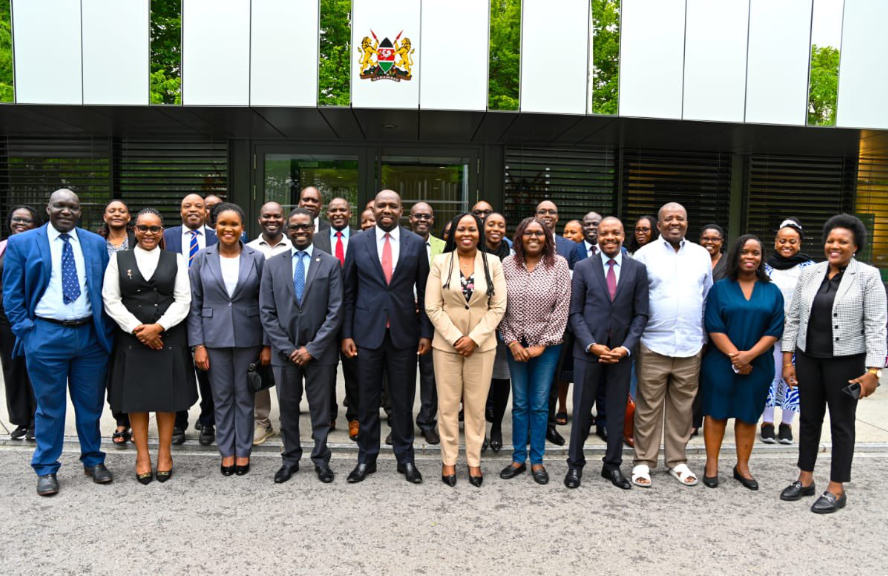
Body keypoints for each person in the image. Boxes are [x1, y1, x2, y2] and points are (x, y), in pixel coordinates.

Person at [3, 189, 115, 496]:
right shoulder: (22, 243)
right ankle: (46, 468)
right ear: (48, 208)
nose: (66, 211)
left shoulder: (94, 243)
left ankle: (93, 460)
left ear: (79, 212)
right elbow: (11, 293)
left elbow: (106, 287)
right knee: (49, 407)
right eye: (60, 205)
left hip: (89, 337)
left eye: (72, 207)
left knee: (90, 406)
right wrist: (26, 330)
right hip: (45, 335)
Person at [780, 214, 887, 514]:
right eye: (830, 240)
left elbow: (877, 326)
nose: (835, 246)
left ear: (855, 247)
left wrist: (874, 371)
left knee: (842, 424)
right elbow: (795, 318)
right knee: (809, 420)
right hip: (809, 359)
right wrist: (788, 360)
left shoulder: (868, 276)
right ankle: (805, 479)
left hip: (846, 362)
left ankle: (836, 488)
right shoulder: (810, 273)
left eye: (843, 242)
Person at [341, 190, 433, 484]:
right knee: (367, 401)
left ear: (401, 210)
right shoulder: (357, 243)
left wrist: (425, 332)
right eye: (381, 205)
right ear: (373, 207)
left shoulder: (416, 244)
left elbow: (426, 291)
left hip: (404, 334)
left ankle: (405, 458)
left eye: (393, 205)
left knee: (403, 401)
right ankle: (366, 459)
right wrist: (346, 333)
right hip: (366, 334)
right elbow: (348, 292)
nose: (387, 210)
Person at [103, 208, 195, 484]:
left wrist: (159, 328)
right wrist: (138, 329)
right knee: (136, 399)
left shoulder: (175, 259)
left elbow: (184, 300)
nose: (148, 233)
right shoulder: (119, 260)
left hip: (168, 337)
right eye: (143, 228)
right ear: (134, 229)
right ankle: (142, 455)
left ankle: (164, 454)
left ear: (161, 231)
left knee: (166, 399)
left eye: (154, 228)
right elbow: (111, 299)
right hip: (131, 339)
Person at [631, 202, 712, 488]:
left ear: (687, 223)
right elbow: (636, 299)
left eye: (680, 218)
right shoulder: (644, 254)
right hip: (653, 342)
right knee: (648, 407)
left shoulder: (702, 255)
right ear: (659, 224)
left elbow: (706, 299)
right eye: (669, 219)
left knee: (682, 409)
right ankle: (643, 461)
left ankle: (677, 461)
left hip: (690, 344)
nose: (674, 222)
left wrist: (703, 338)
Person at [565, 217, 649, 490]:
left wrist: (625, 348)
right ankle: (575, 466)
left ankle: (612, 466)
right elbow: (575, 312)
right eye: (604, 233)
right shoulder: (582, 267)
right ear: (597, 237)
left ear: (623, 236)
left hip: (621, 354)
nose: (609, 238)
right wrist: (591, 344)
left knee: (615, 413)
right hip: (588, 352)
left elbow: (641, 314)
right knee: (580, 413)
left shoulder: (637, 269)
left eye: (615, 233)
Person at [260, 208, 342, 484]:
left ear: (313, 227)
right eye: (294, 227)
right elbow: (266, 312)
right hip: (285, 354)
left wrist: (313, 348)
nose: (299, 231)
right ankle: (290, 459)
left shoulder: (329, 263)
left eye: (305, 226)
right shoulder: (272, 264)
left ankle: (321, 459)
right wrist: (286, 347)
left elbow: (336, 311)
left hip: (321, 353)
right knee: (288, 408)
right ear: (286, 227)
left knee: (320, 410)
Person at [426, 213, 506, 487]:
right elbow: (432, 306)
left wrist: (474, 338)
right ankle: (448, 461)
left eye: (472, 229)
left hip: (482, 348)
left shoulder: (493, 262)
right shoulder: (440, 262)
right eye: (462, 229)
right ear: (453, 233)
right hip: (446, 347)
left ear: (479, 233)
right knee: (448, 407)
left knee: (476, 407)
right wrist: (456, 338)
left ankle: (474, 461)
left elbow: (498, 307)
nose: (467, 234)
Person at [189, 204, 268, 477]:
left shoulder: (257, 258)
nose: (228, 229)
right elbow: (195, 304)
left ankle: (243, 452)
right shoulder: (201, 258)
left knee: (245, 397)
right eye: (223, 223)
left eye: (234, 224)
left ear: (243, 228)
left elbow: (265, 303)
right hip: (213, 339)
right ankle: (227, 452)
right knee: (222, 398)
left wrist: (267, 343)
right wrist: (197, 345)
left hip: (249, 338)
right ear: (215, 227)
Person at [700, 235, 784, 490]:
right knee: (716, 412)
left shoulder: (772, 290)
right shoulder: (720, 288)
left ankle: (742, 466)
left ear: (761, 258)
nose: (750, 257)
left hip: (758, 364)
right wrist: (736, 356)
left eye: (755, 253)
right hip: (720, 362)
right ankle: (711, 464)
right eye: (745, 252)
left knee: (749, 414)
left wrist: (749, 356)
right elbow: (713, 324)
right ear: (736, 256)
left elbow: (776, 327)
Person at [499, 217, 571, 485]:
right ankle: (518, 458)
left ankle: (537, 460)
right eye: (527, 232)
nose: (533, 237)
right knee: (519, 403)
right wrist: (511, 341)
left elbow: (562, 307)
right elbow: (500, 305)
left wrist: (543, 343)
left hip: (548, 347)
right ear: (519, 236)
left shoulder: (559, 265)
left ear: (547, 237)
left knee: (539, 404)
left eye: (539, 233)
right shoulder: (507, 264)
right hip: (515, 344)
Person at [164, 194, 217, 446]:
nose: (193, 209)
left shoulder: (220, 235)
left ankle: (208, 421)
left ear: (207, 212)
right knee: (176, 371)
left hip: (209, 315)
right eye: (187, 206)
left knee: (207, 370)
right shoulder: (166, 236)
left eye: (199, 206)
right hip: (172, 313)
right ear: (180, 211)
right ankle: (178, 423)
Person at [761, 218, 813, 444]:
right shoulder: (764, 267)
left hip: (800, 333)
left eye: (792, 241)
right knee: (768, 376)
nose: (787, 245)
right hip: (769, 332)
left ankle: (786, 424)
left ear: (799, 244)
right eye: (782, 241)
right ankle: (767, 422)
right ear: (775, 242)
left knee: (794, 378)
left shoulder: (810, 268)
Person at [313, 197, 360, 441]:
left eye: (343, 209)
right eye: (333, 210)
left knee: (354, 370)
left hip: (353, 314)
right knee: (325, 370)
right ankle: (328, 415)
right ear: (326, 213)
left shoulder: (362, 237)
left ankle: (354, 416)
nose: (338, 213)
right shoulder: (316, 238)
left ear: (350, 213)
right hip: (323, 314)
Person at [246, 202, 292, 446]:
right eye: (267, 216)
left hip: (291, 323)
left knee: (289, 376)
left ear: (283, 219)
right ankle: (262, 423)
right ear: (259, 219)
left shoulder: (295, 244)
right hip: (258, 321)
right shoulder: (249, 249)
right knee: (260, 374)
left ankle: (288, 420)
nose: (271, 219)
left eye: (276, 216)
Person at [98, 200, 136, 446]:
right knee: (114, 373)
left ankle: (137, 419)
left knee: (134, 370)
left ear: (129, 217)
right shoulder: (95, 244)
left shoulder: (139, 239)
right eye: (112, 210)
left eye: (121, 210)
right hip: (104, 315)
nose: (117, 214)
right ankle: (121, 421)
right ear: (105, 216)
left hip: (135, 313)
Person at [0, 205, 40, 441]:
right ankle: (20, 420)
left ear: (36, 224)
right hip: (5, 319)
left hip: (32, 317)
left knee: (35, 368)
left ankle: (37, 420)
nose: (21, 223)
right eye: (17, 219)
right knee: (12, 368)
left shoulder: (37, 246)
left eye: (27, 220)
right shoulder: (3, 246)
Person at [569, 211, 608, 441]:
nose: (592, 227)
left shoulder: (621, 253)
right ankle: (581, 426)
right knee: (583, 384)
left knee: (605, 383)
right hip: (583, 327)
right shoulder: (576, 251)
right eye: (588, 224)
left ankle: (603, 422)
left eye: (597, 224)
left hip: (611, 329)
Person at [410, 202, 446, 445]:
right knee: (401, 374)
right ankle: (400, 423)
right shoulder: (400, 242)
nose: (422, 219)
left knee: (430, 373)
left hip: (433, 318)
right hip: (403, 317)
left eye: (427, 216)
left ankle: (426, 422)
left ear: (433, 220)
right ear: (409, 218)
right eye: (418, 215)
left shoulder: (443, 247)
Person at [482, 212, 511, 452]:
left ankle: (497, 426)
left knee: (501, 378)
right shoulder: (473, 250)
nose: (496, 228)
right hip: (477, 325)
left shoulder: (512, 254)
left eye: (501, 225)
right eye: (491, 224)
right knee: (477, 381)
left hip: (504, 325)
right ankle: (479, 428)